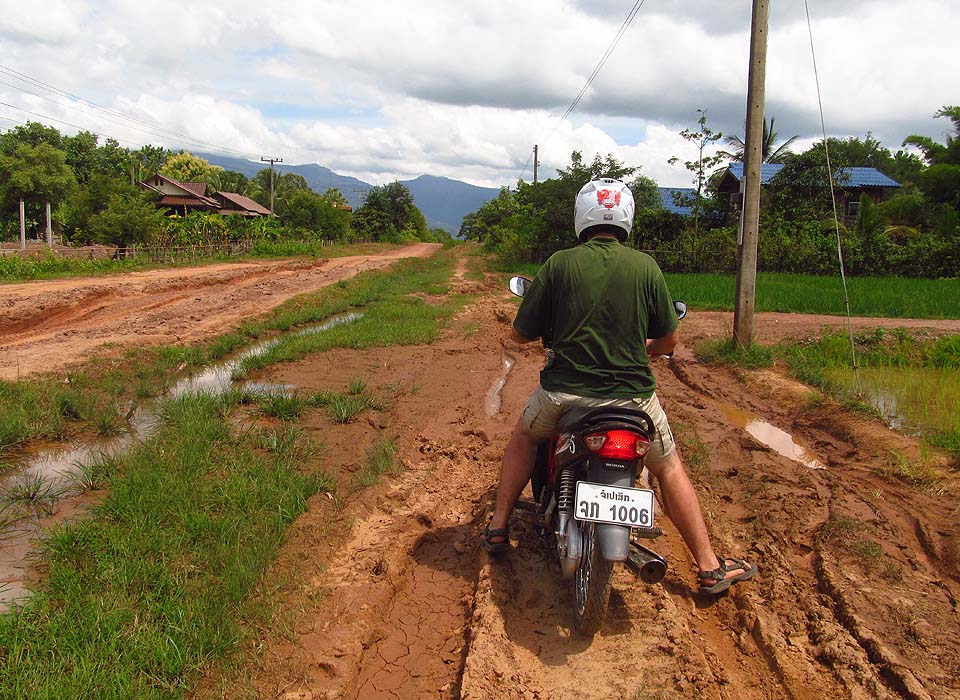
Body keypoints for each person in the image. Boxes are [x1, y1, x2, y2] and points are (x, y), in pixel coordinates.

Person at [483, 177, 756, 595]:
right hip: (635, 401)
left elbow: (520, 334)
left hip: (562, 396)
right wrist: (643, 346)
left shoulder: (558, 264)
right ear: (627, 217)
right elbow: (669, 341)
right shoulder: (646, 266)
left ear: (582, 217)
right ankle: (708, 567)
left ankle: (499, 527)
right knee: (668, 468)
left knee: (524, 438)